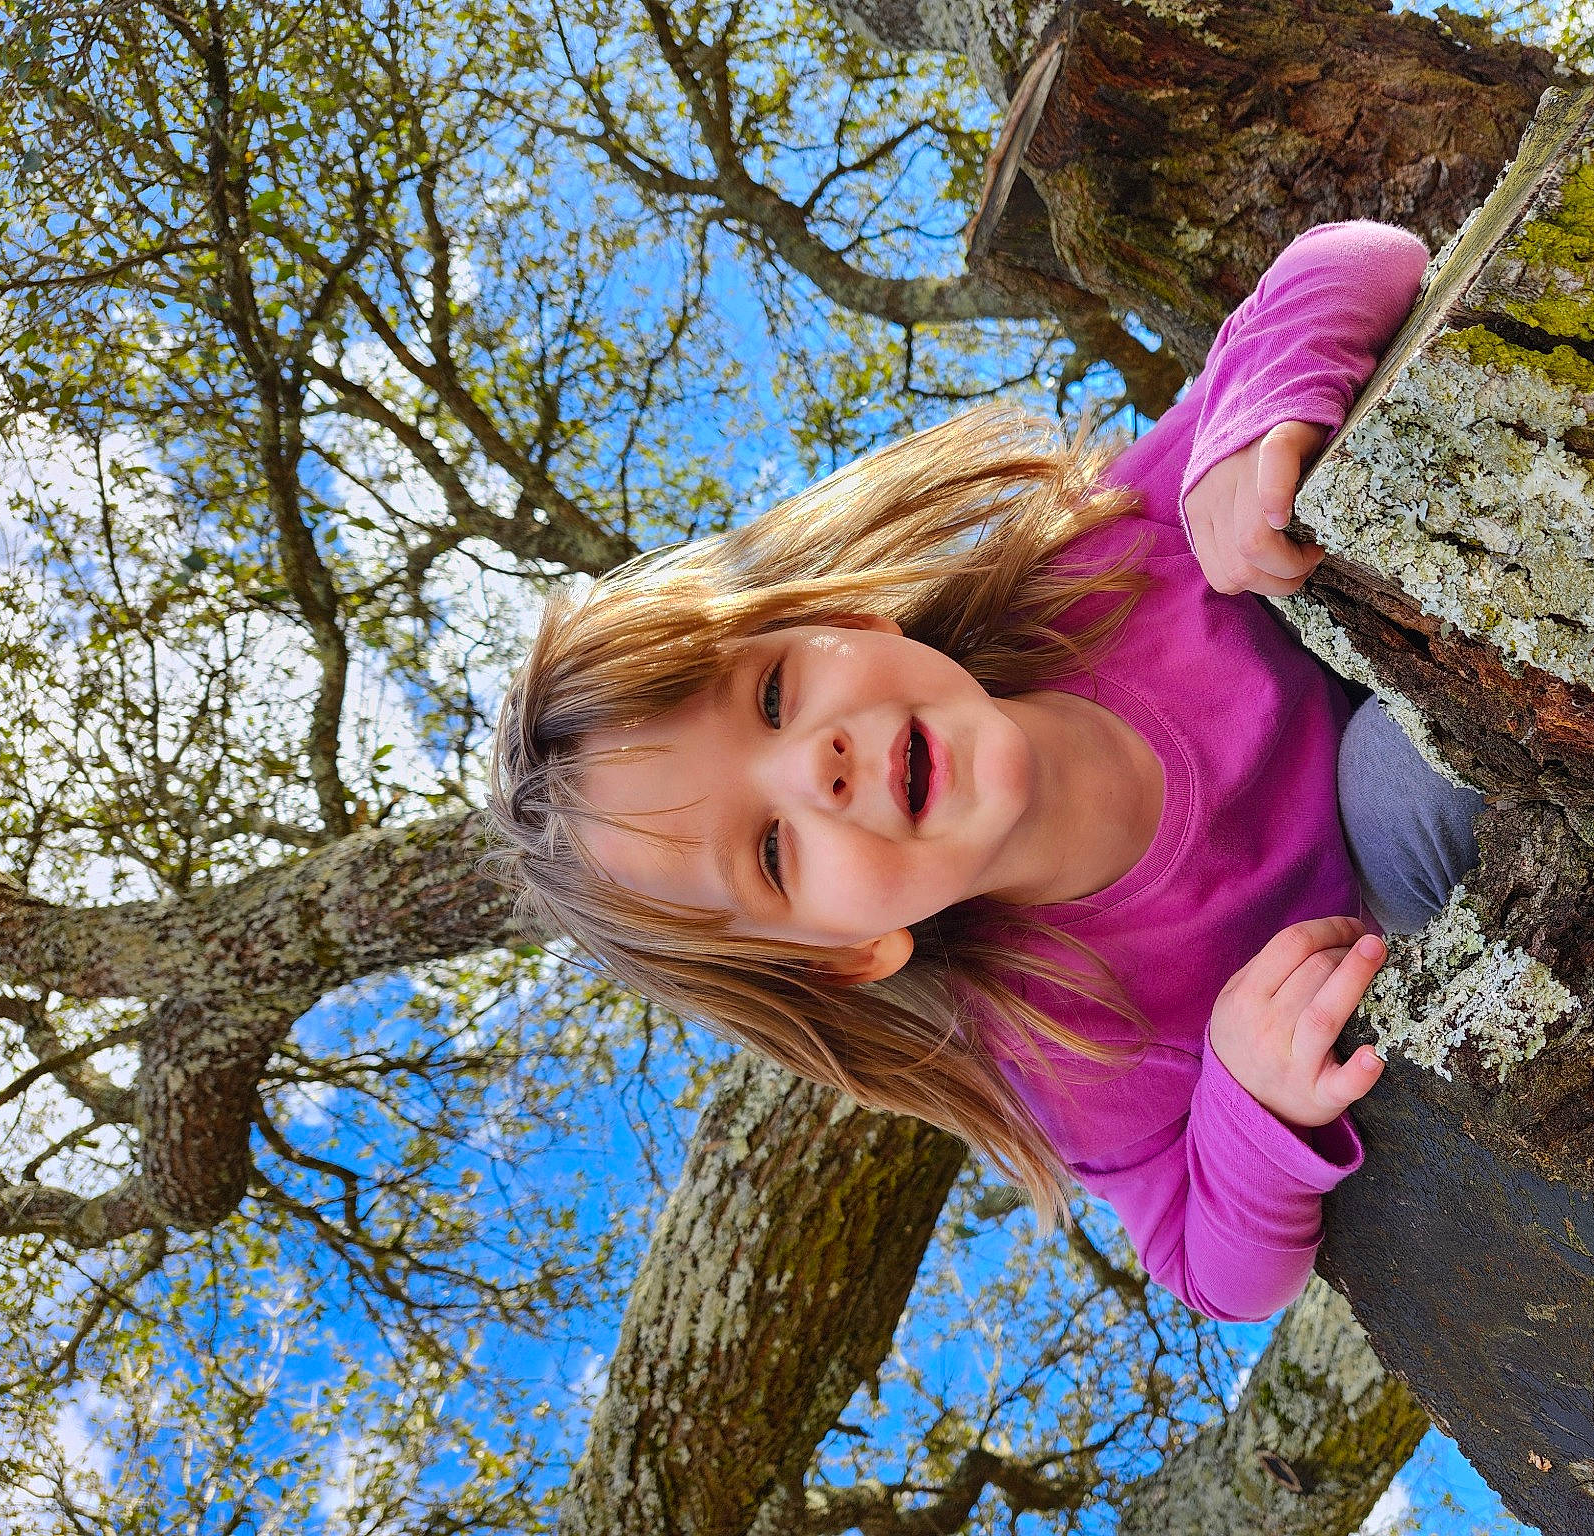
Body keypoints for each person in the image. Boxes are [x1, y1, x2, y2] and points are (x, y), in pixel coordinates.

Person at [482, 221, 1483, 1323]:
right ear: (849, 952)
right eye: (770, 850)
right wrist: (1248, 1100)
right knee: (1398, 775)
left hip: (1458, 606)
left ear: (841, 619)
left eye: (772, 696)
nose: (811, 766)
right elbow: (1207, 1272)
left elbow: (1357, 256)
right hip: (1420, 888)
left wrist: (1253, 423)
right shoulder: (1068, 1046)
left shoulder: (1096, 565)